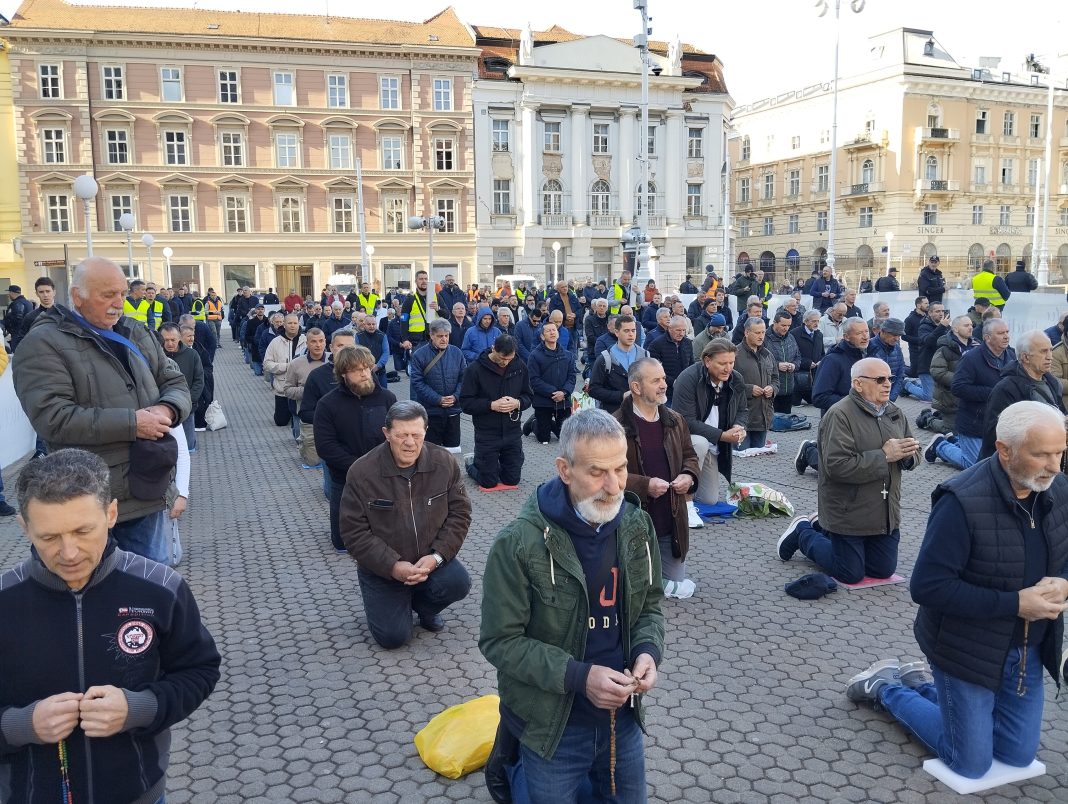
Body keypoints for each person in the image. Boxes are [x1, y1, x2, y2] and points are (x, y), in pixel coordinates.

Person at [845, 402, 1068, 780]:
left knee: (1016, 755)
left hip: (1026, 649)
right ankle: (885, 687)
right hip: (965, 649)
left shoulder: (1059, 488)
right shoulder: (961, 500)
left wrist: (1064, 580)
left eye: (1061, 452)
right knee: (969, 762)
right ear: (1004, 450)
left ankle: (928, 691)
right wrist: (1015, 603)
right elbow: (927, 587)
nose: (1055, 466)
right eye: (1042, 454)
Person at [0, 449, 220, 803]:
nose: (69, 553)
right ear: (25, 527)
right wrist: (20, 726)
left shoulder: (161, 588)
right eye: (49, 538)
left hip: (139, 793)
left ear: (111, 513)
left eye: (83, 531)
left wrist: (139, 708)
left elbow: (200, 670)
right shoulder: (5, 602)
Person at [479, 409, 665, 804]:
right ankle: (513, 769)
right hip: (553, 726)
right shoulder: (517, 544)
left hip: (622, 719)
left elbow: (649, 606)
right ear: (564, 470)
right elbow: (499, 642)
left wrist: (648, 651)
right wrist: (580, 678)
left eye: (621, 467)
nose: (614, 485)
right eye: (597, 472)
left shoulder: (636, 525)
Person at [13, 257, 191, 565]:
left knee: (147, 596)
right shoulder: (42, 343)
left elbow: (174, 380)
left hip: (146, 488)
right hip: (85, 499)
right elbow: (52, 417)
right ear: (77, 296)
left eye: (121, 293)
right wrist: (132, 424)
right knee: (93, 597)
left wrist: (168, 408)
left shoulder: (135, 331)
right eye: (107, 295)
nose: (118, 303)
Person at [339, 400, 471, 648]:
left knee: (458, 583)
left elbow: (460, 513)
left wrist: (437, 557)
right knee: (393, 638)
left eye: (416, 435)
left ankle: (424, 607)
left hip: (429, 561)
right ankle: (395, 605)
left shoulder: (444, 463)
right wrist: (392, 565)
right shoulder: (361, 472)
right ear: (386, 433)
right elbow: (353, 531)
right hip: (384, 570)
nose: (410, 443)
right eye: (401, 435)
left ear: (426, 432)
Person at [778, 357, 919, 582]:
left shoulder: (894, 411)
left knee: (882, 570)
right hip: (849, 511)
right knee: (850, 573)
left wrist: (909, 457)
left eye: (889, 378)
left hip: (884, 513)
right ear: (858, 384)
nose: (887, 384)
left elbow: (913, 449)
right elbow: (836, 467)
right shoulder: (839, 415)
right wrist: (884, 456)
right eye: (880, 379)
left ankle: (819, 525)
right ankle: (803, 532)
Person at [614, 358, 700, 598]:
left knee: (673, 583)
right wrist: (644, 485)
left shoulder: (674, 419)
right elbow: (607, 474)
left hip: (669, 520)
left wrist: (688, 476)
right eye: (655, 380)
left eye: (663, 378)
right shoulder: (615, 425)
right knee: (634, 585)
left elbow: (689, 456)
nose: (663, 385)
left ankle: (654, 578)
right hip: (632, 520)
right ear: (636, 388)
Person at [315, 345, 397, 552]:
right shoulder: (327, 404)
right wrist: (359, 466)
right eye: (356, 369)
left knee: (387, 536)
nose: (363, 374)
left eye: (367, 368)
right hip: (345, 481)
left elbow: (398, 435)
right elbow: (326, 447)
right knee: (343, 543)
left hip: (384, 478)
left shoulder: (387, 398)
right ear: (344, 373)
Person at [672, 338, 749, 519]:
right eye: (722, 363)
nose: (728, 368)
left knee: (709, 500)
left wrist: (739, 426)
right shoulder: (688, 378)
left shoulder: (736, 378)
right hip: (687, 442)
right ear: (707, 361)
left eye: (731, 362)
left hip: (713, 445)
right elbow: (686, 421)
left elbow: (743, 410)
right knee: (700, 442)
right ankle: (685, 502)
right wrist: (722, 435)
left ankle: (680, 488)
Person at [926, 319, 1015, 470]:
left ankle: (955, 442)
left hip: (999, 423)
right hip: (974, 422)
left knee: (999, 463)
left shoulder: (1011, 355)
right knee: (975, 466)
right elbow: (958, 387)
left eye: (1007, 332)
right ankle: (940, 446)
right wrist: (993, 393)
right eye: (1000, 333)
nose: (1006, 336)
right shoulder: (971, 358)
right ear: (987, 337)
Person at [460, 334, 532, 492]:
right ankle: (472, 464)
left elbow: (528, 396)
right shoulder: (475, 369)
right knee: (488, 482)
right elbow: (465, 403)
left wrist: (518, 403)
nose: (505, 362)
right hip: (487, 433)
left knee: (512, 479)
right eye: (502, 358)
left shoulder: (519, 366)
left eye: (509, 359)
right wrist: (491, 405)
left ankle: (497, 464)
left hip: (512, 431)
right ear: (493, 349)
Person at [977, 331, 1064, 460]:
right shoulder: (1006, 389)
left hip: (1047, 459)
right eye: (1043, 351)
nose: (1050, 356)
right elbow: (994, 434)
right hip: (1015, 464)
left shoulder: (1053, 383)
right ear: (1025, 357)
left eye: (1050, 350)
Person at [409, 318, 466, 452]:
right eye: (440, 336)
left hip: (453, 411)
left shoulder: (457, 353)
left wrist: (456, 397)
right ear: (431, 335)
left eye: (446, 336)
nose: (444, 339)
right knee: (430, 452)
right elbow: (417, 382)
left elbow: (464, 379)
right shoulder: (419, 355)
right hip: (431, 412)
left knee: (452, 451)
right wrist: (438, 399)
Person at [283, 327, 328, 468]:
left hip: (331, 413)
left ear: (326, 342)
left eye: (321, 341)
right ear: (307, 343)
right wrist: (308, 391)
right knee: (312, 460)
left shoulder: (334, 360)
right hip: (306, 413)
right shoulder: (296, 363)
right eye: (313, 341)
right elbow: (287, 389)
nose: (318, 345)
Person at [526, 320, 576, 445]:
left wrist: (564, 392)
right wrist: (553, 392)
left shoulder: (568, 355)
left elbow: (572, 377)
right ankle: (533, 423)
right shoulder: (535, 355)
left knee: (564, 437)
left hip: (563, 401)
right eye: (548, 331)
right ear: (542, 336)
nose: (552, 333)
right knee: (544, 439)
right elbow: (534, 380)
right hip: (544, 401)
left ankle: (551, 425)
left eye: (554, 330)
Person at [733, 317, 778, 451]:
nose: (761, 336)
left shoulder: (768, 355)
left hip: (762, 418)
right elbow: (726, 383)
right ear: (746, 333)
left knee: (759, 456)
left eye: (763, 332)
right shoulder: (735, 355)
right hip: (741, 420)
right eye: (757, 333)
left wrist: (773, 388)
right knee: (743, 458)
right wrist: (748, 389)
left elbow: (776, 379)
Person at [928, 315, 978, 434]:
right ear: (955, 329)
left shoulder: (977, 346)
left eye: (971, 325)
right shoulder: (944, 348)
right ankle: (928, 419)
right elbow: (937, 371)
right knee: (952, 431)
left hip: (972, 396)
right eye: (966, 325)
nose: (970, 328)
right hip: (950, 398)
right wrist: (961, 381)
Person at [588, 315, 647, 414]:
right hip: (613, 415)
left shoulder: (645, 355)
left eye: (633, 330)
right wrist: (621, 396)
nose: (631, 334)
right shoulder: (605, 359)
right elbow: (593, 389)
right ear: (616, 332)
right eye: (626, 331)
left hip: (640, 413)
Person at [160, 323, 204, 455]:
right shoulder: (156, 356)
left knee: (188, 444)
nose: (169, 343)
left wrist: (189, 401)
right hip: (163, 408)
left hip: (187, 406)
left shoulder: (192, 355)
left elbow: (199, 380)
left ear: (179, 338)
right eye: (165, 340)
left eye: (173, 339)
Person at [263, 312, 307, 439]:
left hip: (300, 387)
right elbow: (267, 364)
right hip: (282, 387)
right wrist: (286, 367)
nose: (293, 326)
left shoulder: (305, 340)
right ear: (284, 325)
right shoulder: (276, 342)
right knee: (281, 422)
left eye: (295, 323)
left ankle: (296, 424)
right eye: (290, 323)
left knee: (299, 416)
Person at [902, 301, 948, 402]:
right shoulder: (924, 326)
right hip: (926, 367)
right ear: (930, 313)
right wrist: (941, 327)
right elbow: (928, 341)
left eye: (942, 311)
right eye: (937, 311)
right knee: (929, 397)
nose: (941, 313)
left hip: (940, 367)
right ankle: (906, 384)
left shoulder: (945, 327)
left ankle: (917, 384)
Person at [647, 315, 693, 404]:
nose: (682, 333)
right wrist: (674, 382)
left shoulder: (687, 343)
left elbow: (691, 364)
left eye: (684, 330)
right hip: (665, 393)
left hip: (685, 390)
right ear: (669, 328)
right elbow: (654, 370)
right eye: (678, 330)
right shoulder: (657, 344)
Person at [765, 310, 801, 414]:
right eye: (783, 325)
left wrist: (794, 365)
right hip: (771, 390)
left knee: (785, 422)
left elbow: (798, 356)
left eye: (788, 325)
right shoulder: (764, 339)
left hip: (788, 389)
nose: (786, 328)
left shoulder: (791, 337)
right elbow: (758, 361)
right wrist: (777, 365)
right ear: (775, 322)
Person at [865, 318, 907, 403]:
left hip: (889, 398)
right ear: (883, 331)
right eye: (894, 335)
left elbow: (900, 374)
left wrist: (891, 397)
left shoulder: (897, 349)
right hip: (871, 398)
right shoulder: (868, 347)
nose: (897, 339)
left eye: (899, 335)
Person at [791, 310, 825, 406]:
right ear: (805, 321)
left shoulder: (819, 334)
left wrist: (820, 361)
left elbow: (822, 353)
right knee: (795, 404)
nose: (816, 324)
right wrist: (807, 363)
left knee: (814, 402)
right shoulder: (794, 334)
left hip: (814, 376)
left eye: (818, 321)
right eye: (813, 321)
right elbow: (792, 355)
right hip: (799, 377)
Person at [401, 270, 435, 353]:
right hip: (415, 340)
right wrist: (405, 339)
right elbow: (403, 320)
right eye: (421, 279)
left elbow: (447, 315)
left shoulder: (435, 297)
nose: (424, 281)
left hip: (433, 338)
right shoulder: (410, 300)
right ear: (416, 281)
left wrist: (438, 309)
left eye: (426, 279)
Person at [356, 310, 390, 389]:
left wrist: (378, 366)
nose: (371, 326)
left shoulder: (382, 335)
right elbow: (357, 353)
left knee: (383, 393)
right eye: (369, 324)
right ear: (364, 325)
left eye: (373, 324)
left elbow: (386, 352)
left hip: (380, 372)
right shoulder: (358, 336)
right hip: (364, 371)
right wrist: (366, 366)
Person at [4, 284, 34, 349]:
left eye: (9, 293)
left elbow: (17, 319)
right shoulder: (28, 302)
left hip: (17, 335)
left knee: (16, 354)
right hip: (26, 334)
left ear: (12, 293)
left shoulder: (17, 303)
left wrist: (9, 330)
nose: (8, 295)